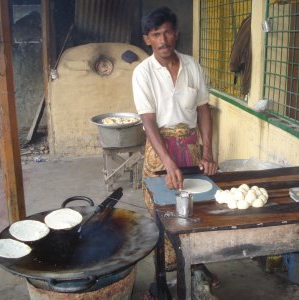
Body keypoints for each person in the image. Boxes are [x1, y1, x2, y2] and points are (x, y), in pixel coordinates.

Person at [132, 6, 218, 299]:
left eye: (167, 32)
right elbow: (148, 121)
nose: (164, 39)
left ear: (176, 33)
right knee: (163, 211)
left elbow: (204, 109)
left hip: (192, 146)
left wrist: (208, 151)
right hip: (160, 150)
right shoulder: (142, 73)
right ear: (148, 39)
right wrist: (168, 163)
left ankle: (196, 264)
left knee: (198, 207)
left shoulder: (192, 66)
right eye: (156, 34)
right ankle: (166, 273)